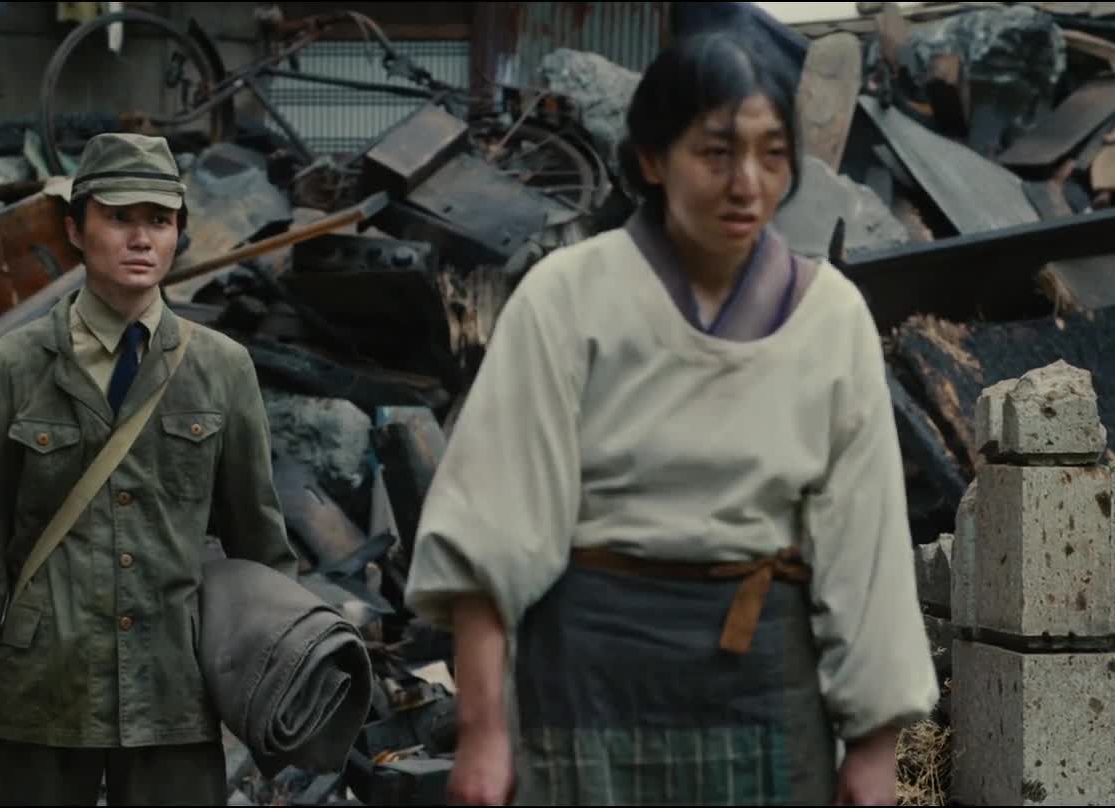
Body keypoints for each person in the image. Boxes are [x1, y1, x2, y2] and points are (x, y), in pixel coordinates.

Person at [401, 29, 940, 807]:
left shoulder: (832, 318)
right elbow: (487, 531)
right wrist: (484, 732)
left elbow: (868, 549)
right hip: (587, 681)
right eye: (716, 154)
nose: (747, 184)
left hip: (763, 689)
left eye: (772, 155)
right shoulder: (567, 296)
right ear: (653, 159)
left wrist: (874, 747)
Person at [0, 132, 297, 805]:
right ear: (75, 230)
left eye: (158, 220)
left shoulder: (221, 369)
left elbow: (258, 539)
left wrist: (280, 674)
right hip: (41, 681)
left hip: (174, 683)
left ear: (177, 233)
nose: (140, 238)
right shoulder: (11, 369)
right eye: (119, 217)